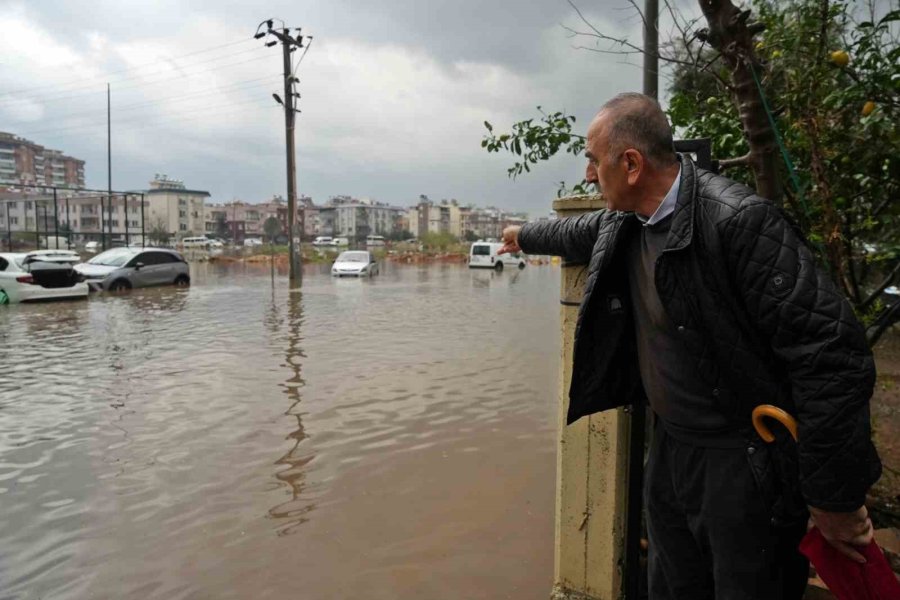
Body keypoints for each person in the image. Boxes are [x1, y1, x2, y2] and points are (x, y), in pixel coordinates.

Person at [499, 92, 882, 600]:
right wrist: (521, 235)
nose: (589, 175)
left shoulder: (738, 223)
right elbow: (576, 232)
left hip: (744, 461)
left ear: (631, 164)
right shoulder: (626, 220)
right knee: (673, 584)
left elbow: (831, 357)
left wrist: (833, 496)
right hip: (673, 450)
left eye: (593, 160)